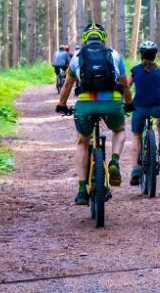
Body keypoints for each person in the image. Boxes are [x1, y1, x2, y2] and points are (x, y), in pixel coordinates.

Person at [56, 23, 134, 205]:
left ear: (85, 39)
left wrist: (61, 104)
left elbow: (67, 85)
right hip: (112, 103)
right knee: (120, 130)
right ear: (102, 38)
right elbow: (123, 83)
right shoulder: (114, 55)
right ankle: (114, 161)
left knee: (82, 142)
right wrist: (129, 103)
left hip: (86, 105)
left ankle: (82, 190)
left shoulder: (76, 56)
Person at [127, 41, 160, 186]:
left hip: (140, 108)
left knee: (137, 136)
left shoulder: (135, 70)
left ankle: (135, 169)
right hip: (158, 108)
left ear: (140, 55)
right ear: (155, 55)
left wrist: (127, 103)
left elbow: (127, 88)